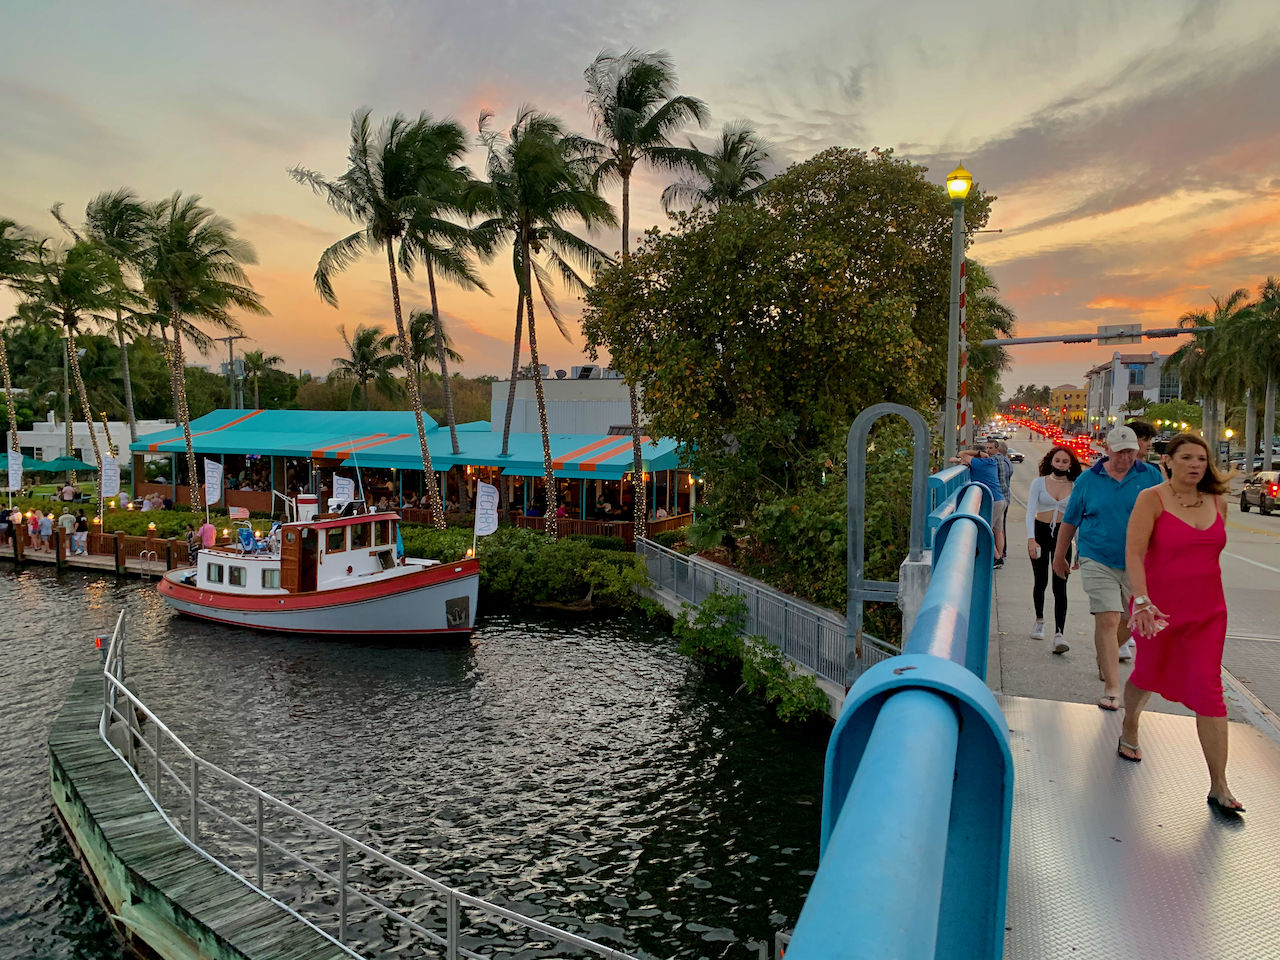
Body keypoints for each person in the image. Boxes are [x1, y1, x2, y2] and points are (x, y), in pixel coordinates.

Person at [1119, 434, 1244, 814]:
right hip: (1157, 610)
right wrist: (1140, 601)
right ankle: (1129, 723)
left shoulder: (1218, 502)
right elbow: (1135, 553)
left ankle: (1219, 786)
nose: (1195, 465)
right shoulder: (1151, 499)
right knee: (1147, 674)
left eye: (1202, 459)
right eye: (1187, 457)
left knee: (1210, 691)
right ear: (1168, 461)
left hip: (1208, 614)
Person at [1053, 425, 1161, 711]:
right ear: (1107, 449)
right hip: (1096, 555)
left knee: (1129, 620)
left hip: (1137, 561)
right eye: (1121, 452)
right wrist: (1059, 555)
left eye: (1131, 452)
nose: (1126, 458)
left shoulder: (1150, 476)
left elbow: (1165, 518)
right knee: (1109, 618)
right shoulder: (1089, 479)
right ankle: (1112, 688)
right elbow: (1070, 520)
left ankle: (1106, 654)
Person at [1026, 445, 1081, 653]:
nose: (1060, 464)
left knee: (1061, 585)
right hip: (1040, 534)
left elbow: (1076, 518)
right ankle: (1039, 620)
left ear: (1070, 465)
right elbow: (1030, 511)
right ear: (1051, 461)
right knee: (1040, 581)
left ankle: (1060, 633)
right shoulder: (1039, 483)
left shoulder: (1075, 486)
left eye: (1065, 462)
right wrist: (1031, 540)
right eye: (1057, 461)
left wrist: (1078, 549)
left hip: (1063, 538)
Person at [1115, 419, 1157, 660]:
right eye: (1145, 440)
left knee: (1133, 599)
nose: (1148, 445)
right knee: (1115, 609)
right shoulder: (1112, 469)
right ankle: (1113, 648)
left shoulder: (1151, 473)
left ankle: (1121, 641)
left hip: (1142, 550)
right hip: (1112, 550)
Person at [953, 446, 1006, 564]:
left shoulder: (978, 463)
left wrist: (976, 453)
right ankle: (1000, 555)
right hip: (1000, 499)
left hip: (991, 500)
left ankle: (996, 557)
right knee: (998, 530)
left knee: (985, 530)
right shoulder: (991, 461)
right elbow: (954, 459)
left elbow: (961, 453)